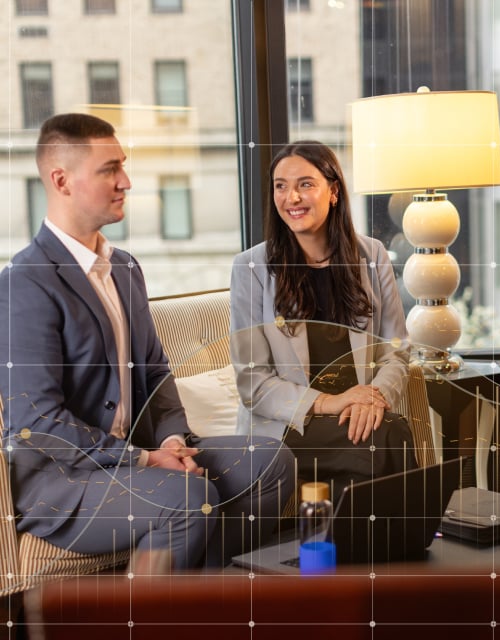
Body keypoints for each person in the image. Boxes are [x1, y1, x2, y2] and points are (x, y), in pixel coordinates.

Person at [0, 113, 295, 571]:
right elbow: (36, 422)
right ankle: (156, 609)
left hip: (136, 455)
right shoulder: (25, 282)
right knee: (187, 497)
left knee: (271, 460)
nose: (126, 181)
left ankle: (209, 592)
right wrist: (145, 459)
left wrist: (172, 439)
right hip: (62, 483)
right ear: (61, 181)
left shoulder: (124, 268)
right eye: (109, 170)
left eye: (122, 165)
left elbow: (156, 373)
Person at [230, 140, 416, 494]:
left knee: (381, 437)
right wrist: (332, 403)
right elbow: (252, 382)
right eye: (281, 186)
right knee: (388, 436)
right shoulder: (251, 267)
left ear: (333, 192)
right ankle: (413, 528)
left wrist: (371, 398)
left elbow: (395, 351)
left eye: (305, 184)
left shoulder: (372, 254)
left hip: (355, 416)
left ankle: (345, 530)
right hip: (288, 425)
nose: (291, 198)